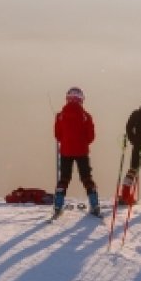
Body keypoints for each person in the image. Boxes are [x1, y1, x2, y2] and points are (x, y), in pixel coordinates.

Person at [53, 86, 100, 217]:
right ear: (81, 100)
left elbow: (57, 135)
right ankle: (94, 204)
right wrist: (83, 142)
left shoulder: (60, 116)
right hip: (82, 151)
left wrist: (66, 141)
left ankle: (58, 205)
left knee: (64, 178)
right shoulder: (86, 116)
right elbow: (91, 136)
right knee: (86, 177)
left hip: (66, 151)